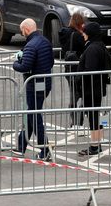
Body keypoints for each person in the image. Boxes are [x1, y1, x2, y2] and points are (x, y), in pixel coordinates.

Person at [12, 18, 55, 160]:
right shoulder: (45, 41)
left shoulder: (31, 45)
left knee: (34, 116)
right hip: (45, 83)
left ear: (27, 29)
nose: (22, 33)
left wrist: (15, 63)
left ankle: (45, 149)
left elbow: (25, 66)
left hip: (33, 85)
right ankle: (21, 146)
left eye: (22, 31)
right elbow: (52, 61)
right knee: (32, 114)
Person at [76, 22, 110, 156]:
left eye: (85, 32)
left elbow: (89, 70)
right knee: (94, 116)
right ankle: (96, 144)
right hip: (96, 88)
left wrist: (79, 80)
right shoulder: (99, 45)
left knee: (93, 117)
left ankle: (95, 146)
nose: (83, 35)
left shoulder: (92, 49)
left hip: (91, 89)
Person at [61, 13, 86, 126]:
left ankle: (74, 121)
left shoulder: (65, 34)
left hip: (69, 69)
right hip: (79, 69)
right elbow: (84, 49)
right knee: (83, 95)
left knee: (73, 97)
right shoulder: (78, 36)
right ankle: (78, 121)